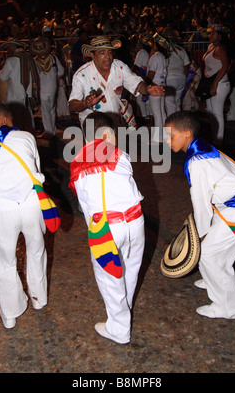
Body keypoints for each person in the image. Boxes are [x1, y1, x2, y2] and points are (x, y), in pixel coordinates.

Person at [165, 111, 235, 319]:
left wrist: (199, 236)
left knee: (207, 252)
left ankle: (228, 308)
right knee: (215, 252)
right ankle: (213, 278)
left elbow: (201, 204)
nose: (167, 140)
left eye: (171, 135)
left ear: (187, 133)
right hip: (233, 204)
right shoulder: (202, 148)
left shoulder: (197, 162)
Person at [0, 102, 48, 329]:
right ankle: (39, 299)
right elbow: (36, 168)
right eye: (11, 120)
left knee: (4, 261)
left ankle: (10, 314)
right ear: (4, 121)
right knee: (36, 250)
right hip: (32, 201)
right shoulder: (25, 136)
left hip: (2, 207)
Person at [69, 111, 145, 344]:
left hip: (106, 227)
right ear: (106, 134)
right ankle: (124, 307)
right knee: (130, 268)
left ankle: (119, 328)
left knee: (109, 277)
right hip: (136, 220)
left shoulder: (77, 163)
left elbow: (85, 205)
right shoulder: (121, 155)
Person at [68, 35, 164, 126]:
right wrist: (86, 103)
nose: (108, 56)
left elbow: (136, 84)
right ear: (93, 55)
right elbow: (72, 105)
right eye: (102, 53)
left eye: (109, 52)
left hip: (116, 124)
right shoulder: (81, 75)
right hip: (93, 126)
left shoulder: (119, 67)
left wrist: (148, 89)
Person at [0, 38, 40, 133]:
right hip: (28, 94)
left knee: (15, 118)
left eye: (9, 47)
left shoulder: (10, 61)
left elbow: (3, 78)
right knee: (28, 117)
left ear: (13, 47)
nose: (8, 50)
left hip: (15, 95)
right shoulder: (30, 59)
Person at [29, 36, 64, 139]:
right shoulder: (53, 58)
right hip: (53, 87)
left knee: (45, 111)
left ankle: (48, 131)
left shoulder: (34, 61)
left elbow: (33, 76)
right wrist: (54, 76)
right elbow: (61, 71)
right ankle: (52, 129)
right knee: (52, 108)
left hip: (42, 89)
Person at [202, 24, 231, 145]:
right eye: (209, 33)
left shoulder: (221, 48)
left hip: (220, 83)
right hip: (212, 82)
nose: (210, 35)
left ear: (220, 36)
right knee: (210, 111)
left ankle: (219, 140)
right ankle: (215, 136)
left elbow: (225, 66)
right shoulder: (211, 46)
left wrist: (215, 83)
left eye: (213, 33)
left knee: (217, 112)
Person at [146, 32, 168, 143]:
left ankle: (157, 138)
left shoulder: (155, 57)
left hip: (155, 86)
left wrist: (147, 86)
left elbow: (150, 75)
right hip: (162, 84)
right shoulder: (163, 57)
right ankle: (164, 136)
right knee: (162, 112)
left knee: (157, 113)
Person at [163, 27, 190, 116]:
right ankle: (179, 124)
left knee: (170, 104)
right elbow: (186, 66)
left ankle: (172, 127)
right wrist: (185, 78)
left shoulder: (164, 49)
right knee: (177, 102)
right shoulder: (181, 50)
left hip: (170, 79)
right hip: (181, 78)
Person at [132, 34, 153, 123]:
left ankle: (143, 118)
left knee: (139, 99)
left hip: (141, 77)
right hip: (148, 77)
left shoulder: (142, 52)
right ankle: (147, 117)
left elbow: (136, 67)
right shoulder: (151, 53)